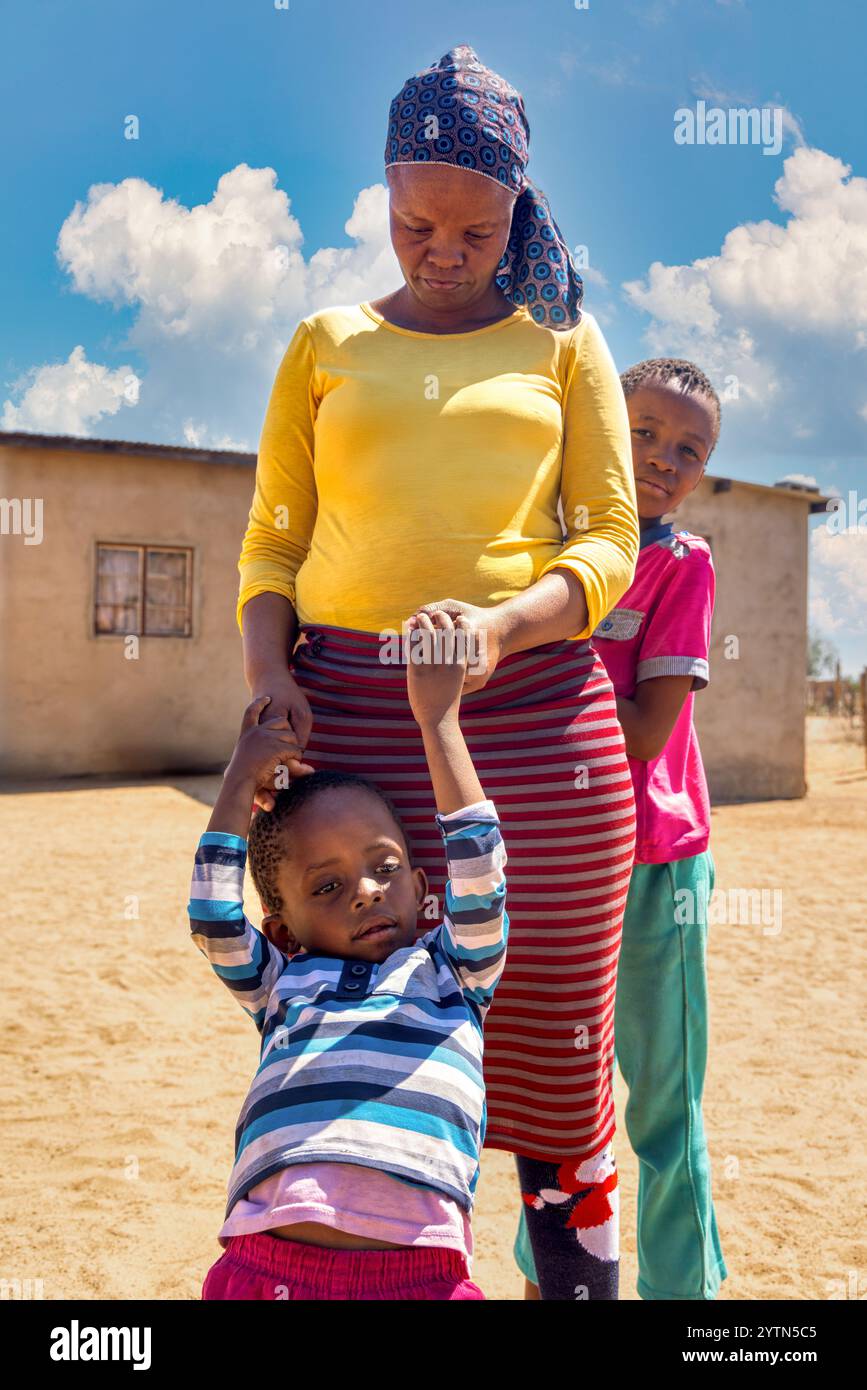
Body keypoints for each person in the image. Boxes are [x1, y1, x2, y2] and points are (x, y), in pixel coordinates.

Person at [236, 44, 640, 1299]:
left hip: (530, 728)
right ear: (385, 198)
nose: (443, 251)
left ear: (517, 208)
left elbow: (610, 538)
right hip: (349, 742)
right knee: (367, 1038)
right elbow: (273, 540)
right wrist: (269, 683)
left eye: (472, 230)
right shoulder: (324, 341)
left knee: (556, 1082)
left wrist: (503, 628)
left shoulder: (565, 343)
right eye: (417, 224)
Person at [191, 611, 508, 1300]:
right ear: (282, 930)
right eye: (327, 886)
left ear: (423, 889)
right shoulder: (282, 983)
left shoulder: (454, 972)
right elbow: (214, 919)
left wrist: (439, 721)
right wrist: (239, 780)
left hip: (421, 1274)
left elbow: (480, 872)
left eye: (385, 867)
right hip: (265, 1268)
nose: (365, 892)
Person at [514, 358, 728, 1300]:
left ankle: (685, 1299)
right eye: (641, 432)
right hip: (559, 858)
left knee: (664, 1105)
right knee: (559, 1104)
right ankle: (549, 1279)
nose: (662, 459)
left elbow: (646, 732)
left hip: (654, 861)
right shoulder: (539, 552)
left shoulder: (680, 566)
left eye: (689, 448)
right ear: (598, 428)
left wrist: (543, 669)